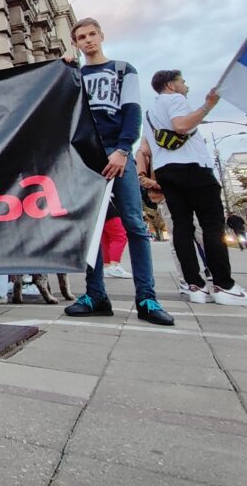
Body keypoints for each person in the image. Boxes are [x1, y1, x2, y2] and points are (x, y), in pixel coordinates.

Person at [62, 18, 174, 326]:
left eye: (91, 34)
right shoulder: (75, 74)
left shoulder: (123, 70)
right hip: (87, 156)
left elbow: (132, 111)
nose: (87, 41)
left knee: (135, 225)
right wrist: (62, 66)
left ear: (101, 36)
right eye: (81, 37)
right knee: (91, 228)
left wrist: (124, 150)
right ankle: (95, 294)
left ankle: (147, 298)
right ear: (75, 42)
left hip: (118, 153)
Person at [141, 70, 247, 306]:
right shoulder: (176, 100)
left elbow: (147, 148)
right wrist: (207, 106)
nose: (186, 85)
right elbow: (181, 126)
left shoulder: (149, 112)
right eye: (182, 81)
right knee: (212, 225)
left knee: (182, 228)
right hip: (193, 168)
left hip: (167, 170)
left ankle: (194, 285)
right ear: (170, 85)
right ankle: (224, 286)